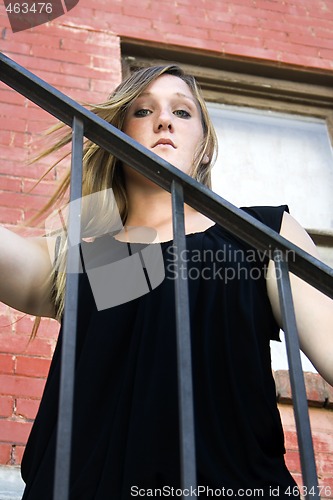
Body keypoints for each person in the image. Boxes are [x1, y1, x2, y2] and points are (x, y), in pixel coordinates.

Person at [1, 65, 332, 499]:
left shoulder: (258, 234)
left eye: (182, 111)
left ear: (206, 147)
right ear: (117, 138)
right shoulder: (92, 259)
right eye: (142, 111)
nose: (163, 121)